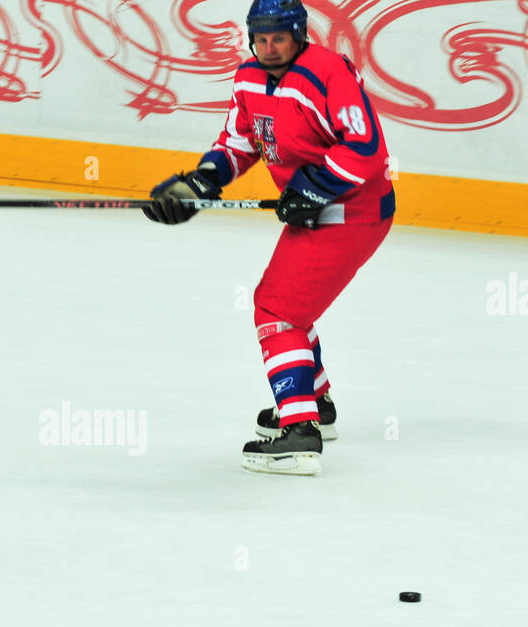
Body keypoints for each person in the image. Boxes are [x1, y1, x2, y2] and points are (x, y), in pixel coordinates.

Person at [144, 0, 394, 476]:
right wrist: (199, 183)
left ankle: (300, 434)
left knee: (277, 310)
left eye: (278, 37)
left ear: (299, 35)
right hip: (318, 214)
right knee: (291, 306)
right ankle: (314, 403)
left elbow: (364, 148)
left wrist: (315, 186)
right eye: (260, 38)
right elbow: (239, 142)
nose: (268, 47)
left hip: (351, 211)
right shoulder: (247, 79)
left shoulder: (327, 74)